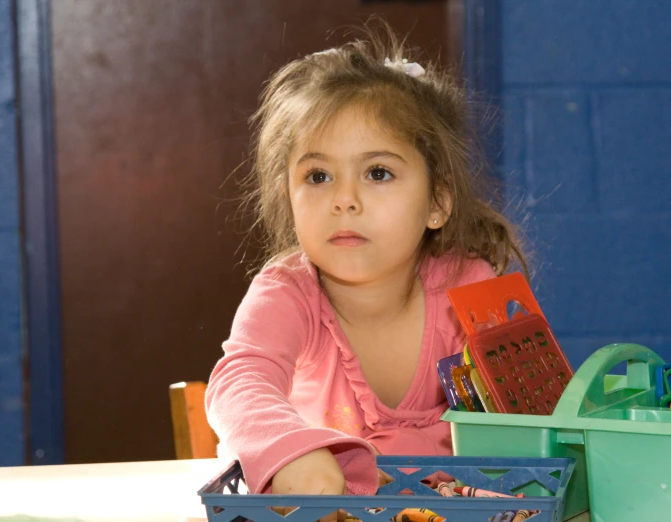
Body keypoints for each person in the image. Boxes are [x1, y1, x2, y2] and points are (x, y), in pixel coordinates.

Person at [205, 22, 529, 499]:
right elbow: (240, 380)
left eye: (378, 172)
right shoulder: (287, 293)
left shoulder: (471, 287)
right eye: (317, 176)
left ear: (438, 202)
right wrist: (290, 450)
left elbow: (526, 422)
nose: (344, 199)